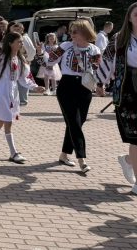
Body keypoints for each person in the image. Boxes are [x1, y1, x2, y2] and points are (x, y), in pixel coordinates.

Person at [36, 19, 101, 173]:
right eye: (71, 31)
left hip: (85, 87)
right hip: (66, 87)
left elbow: (96, 69)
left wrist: (100, 85)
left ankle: (64, 155)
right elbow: (49, 63)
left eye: (75, 32)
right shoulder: (65, 46)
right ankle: (82, 159)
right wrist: (40, 53)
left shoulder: (94, 49)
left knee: (77, 122)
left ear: (85, 32)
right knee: (74, 122)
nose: (72, 34)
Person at [0, 32, 44, 163]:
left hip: (13, 92)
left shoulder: (20, 59)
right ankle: (13, 153)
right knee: (8, 120)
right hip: (2, 91)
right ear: (10, 43)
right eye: (19, 41)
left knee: (3, 119)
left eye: (21, 41)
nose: (21, 44)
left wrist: (35, 87)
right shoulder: (2, 58)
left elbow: (25, 77)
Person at [96, 4, 137, 195]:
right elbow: (107, 61)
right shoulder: (119, 38)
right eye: (136, 15)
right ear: (129, 17)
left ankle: (128, 161)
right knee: (136, 138)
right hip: (128, 92)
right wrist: (100, 83)